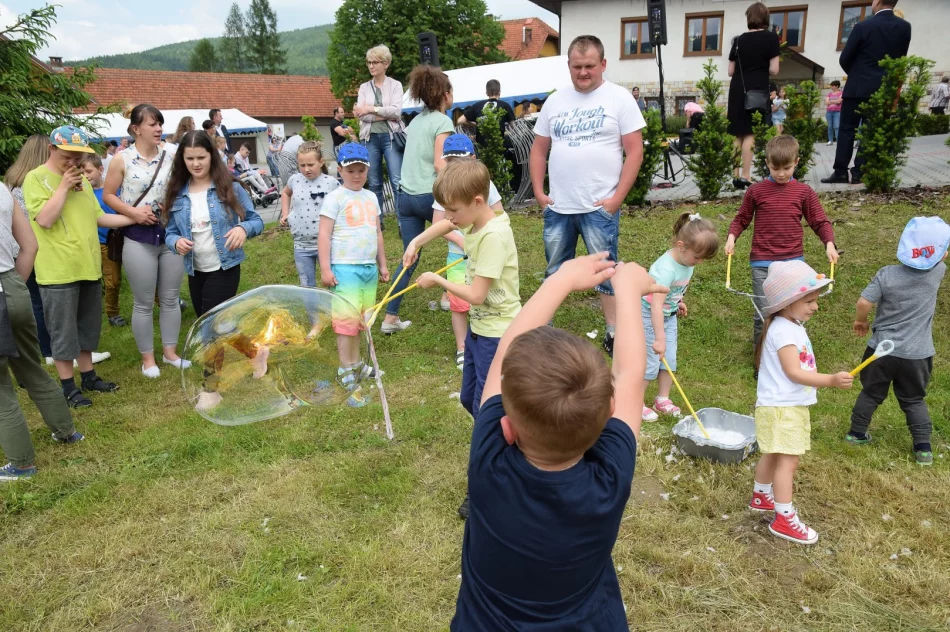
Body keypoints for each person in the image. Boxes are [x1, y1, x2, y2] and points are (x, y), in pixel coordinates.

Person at [449, 253, 664, 629]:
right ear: (609, 412)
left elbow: (505, 351)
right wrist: (628, 293)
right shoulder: (609, 479)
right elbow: (631, 376)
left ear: (508, 428)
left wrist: (560, 280)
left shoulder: (489, 460)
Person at [529, 34, 645, 356]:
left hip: (599, 207)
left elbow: (634, 153)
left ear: (603, 64)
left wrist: (617, 199)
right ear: (568, 65)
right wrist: (539, 191)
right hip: (559, 206)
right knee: (554, 271)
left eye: (590, 66)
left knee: (606, 272)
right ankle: (544, 329)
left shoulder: (620, 98)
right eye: (577, 66)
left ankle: (613, 331)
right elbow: (539, 150)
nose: (583, 72)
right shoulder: (555, 101)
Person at [23, 125, 136, 408]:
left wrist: (134, 218)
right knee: (63, 332)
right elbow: (46, 220)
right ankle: (68, 387)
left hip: (88, 266)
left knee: (87, 328)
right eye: (67, 155)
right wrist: (62, 187)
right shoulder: (35, 179)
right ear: (52, 149)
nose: (73, 162)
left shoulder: (83, 182)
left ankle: (89, 376)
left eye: (78, 156)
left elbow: (99, 217)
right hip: (57, 271)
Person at [750, 260, 853, 544]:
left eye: (815, 300)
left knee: (773, 453)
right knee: (788, 461)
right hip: (783, 408)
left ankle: (761, 496)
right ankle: (783, 517)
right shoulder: (784, 330)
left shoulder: (789, 324)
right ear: (788, 302)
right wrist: (831, 380)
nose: (815, 306)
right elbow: (794, 372)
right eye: (809, 300)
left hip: (778, 406)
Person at [0, 181, 85, 482]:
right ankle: (67, 432)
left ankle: (21, 465)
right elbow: (30, 244)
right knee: (31, 367)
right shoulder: (1, 188)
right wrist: (15, 288)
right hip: (11, 281)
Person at [849, 217, 948, 467]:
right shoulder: (938, 272)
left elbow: (864, 302)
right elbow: (940, 256)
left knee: (871, 392)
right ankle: (923, 449)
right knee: (914, 399)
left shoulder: (887, 274)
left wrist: (861, 321)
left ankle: (856, 434)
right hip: (918, 355)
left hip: (881, 351)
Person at [725, 136, 838, 349]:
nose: (781, 173)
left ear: (796, 162)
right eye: (775, 168)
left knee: (792, 312)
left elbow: (819, 220)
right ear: (767, 163)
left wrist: (829, 243)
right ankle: (762, 361)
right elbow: (742, 218)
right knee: (763, 314)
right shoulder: (756, 191)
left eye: (786, 168)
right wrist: (732, 237)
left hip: (792, 264)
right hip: (762, 264)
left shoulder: (804, 192)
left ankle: (791, 354)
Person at [103, 103, 189, 379]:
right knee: (142, 302)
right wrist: (133, 213)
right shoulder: (122, 159)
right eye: (152, 124)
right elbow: (109, 195)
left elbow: (184, 185)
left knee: (171, 298)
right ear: (135, 128)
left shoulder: (173, 154)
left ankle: (171, 353)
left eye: (160, 123)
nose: (158, 128)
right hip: (138, 237)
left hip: (171, 235)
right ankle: (148, 359)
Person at [379, 65, 456, 336]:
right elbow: (440, 163)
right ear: (446, 94)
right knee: (462, 239)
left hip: (406, 198)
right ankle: (450, 297)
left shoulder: (415, 122)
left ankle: (390, 316)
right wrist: (455, 192)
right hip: (430, 195)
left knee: (409, 256)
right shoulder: (443, 122)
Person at [318, 143, 389, 407]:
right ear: (340, 170)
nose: (357, 175)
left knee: (361, 320)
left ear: (367, 170)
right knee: (345, 323)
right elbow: (324, 234)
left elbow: (378, 233)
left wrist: (382, 265)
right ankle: (344, 368)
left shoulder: (371, 197)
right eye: (351, 171)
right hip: (345, 269)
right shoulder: (335, 198)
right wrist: (326, 269)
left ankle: (357, 364)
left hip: (367, 269)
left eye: (361, 170)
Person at [163, 131, 264, 317]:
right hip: (195, 271)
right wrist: (176, 242)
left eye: (201, 157)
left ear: (212, 155)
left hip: (224, 267)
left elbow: (256, 221)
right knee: (212, 324)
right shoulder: (176, 192)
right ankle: (249, 345)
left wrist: (243, 228)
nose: (196, 163)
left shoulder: (230, 187)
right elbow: (169, 233)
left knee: (209, 324)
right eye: (190, 158)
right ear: (182, 159)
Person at [430, 134, 504, 370]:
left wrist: (480, 241)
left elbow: (499, 214)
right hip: (457, 257)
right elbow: (438, 223)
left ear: (473, 159)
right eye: (449, 161)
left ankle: (484, 342)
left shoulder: (485, 184)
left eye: (458, 160)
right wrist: (462, 243)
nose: (454, 166)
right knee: (459, 303)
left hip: (484, 256)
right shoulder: (444, 185)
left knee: (484, 299)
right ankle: (462, 347)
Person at [821, 0, 911, 185]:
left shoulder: (862, 26)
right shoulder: (904, 27)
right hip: (883, 89)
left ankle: (840, 172)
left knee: (846, 130)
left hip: (857, 88)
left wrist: (856, 75)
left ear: (877, 1)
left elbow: (845, 58)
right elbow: (900, 60)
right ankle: (860, 172)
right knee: (870, 131)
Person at [641, 213, 719, 422]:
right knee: (650, 361)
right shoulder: (665, 269)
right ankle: (635, 401)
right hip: (649, 315)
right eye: (698, 257)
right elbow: (656, 305)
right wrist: (659, 338)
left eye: (703, 258)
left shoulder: (688, 262)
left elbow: (674, 292)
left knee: (669, 360)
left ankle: (662, 399)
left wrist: (678, 302)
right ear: (681, 245)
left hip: (668, 313)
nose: (700, 262)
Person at [727, 2, 781, 189]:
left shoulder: (738, 40)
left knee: (736, 133)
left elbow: (730, 70)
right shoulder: (771, 38)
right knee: (750, 131)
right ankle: (746, 176)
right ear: (765, 18)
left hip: (737, 89)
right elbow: (774, 69)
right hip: (756, 89)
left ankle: (734, 175)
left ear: (749, 18)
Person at [355, 45, 405, 220]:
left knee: (396, 181)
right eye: (369, 62)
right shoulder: (363, 87)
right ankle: (378, 220)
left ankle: (402, 221)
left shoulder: (395, 85)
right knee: (374, 182)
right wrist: (381, 113)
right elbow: (361, 116)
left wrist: (370, 108)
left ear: (385, 63)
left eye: (375, 62)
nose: (371, 66)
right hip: (370, 138)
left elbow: (397, 112)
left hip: (391, 138)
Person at [280, 141, 338, 289]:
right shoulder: (295, 180)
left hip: (327, 244)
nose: (306, 169)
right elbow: (285, 193)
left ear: (321, 162)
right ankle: (312, 312)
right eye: (302, 165)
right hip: (301, 245)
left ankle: (334, 311)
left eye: (311, 165)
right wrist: (285, 213)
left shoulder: (331, 183)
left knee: (333, 282)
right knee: (306, 286)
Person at [79, 154, 126, 328]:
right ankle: (112, 313)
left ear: (100, 170)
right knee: (112, 280)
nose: (85, 175)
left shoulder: (113, 191)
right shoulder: (82, 193)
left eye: (89, 171)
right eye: (82, 171)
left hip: (121, 239)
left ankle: (164, 300)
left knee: (142, 272)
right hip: (101, 243)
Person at [458, 79, 515, 147]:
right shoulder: (505, 105)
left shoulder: (477, 105)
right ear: (499, 92)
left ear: (486, 93)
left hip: (481, 149)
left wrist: (475, 124)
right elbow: (513, 125)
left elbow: (460, 121)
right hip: (498, 148)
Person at [825, 81, 843, 145]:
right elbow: (826, 102)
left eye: (833, 86)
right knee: (830, 126)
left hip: (837, 112)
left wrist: (831, 101)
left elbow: (839, 101)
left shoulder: (841, 93)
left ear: (837, 86)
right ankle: (830, 140)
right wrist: (834, 101)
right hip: (829, 112)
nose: (831, 87)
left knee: (836, 126)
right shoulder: (829, 94)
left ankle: (839, 140)